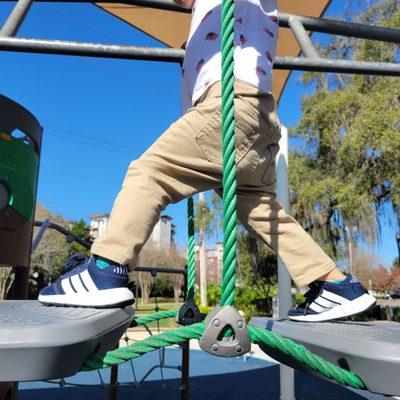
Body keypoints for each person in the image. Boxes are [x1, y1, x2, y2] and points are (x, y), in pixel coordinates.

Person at [39, 0, 376, 322]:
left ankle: (107, 268)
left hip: (230, 104)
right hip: (256, 118)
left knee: (150, 173)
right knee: (258, 210)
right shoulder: (210, 18)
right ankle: (334, 283)